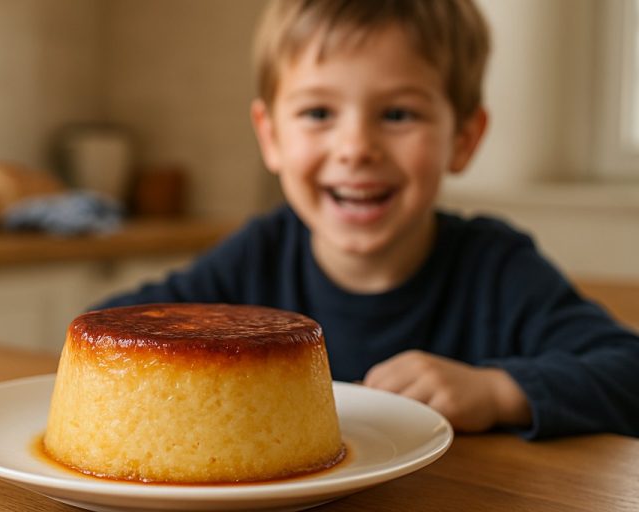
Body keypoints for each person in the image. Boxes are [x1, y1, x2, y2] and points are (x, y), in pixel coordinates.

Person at [95, 0, 639, 439]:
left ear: (463, 139)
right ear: (271, 136)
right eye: (318, 113)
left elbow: (627, 368)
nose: (356, 147)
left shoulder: (495, 268)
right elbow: (109, 331)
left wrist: (496, 391)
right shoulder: (259, 253)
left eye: (398, 114)